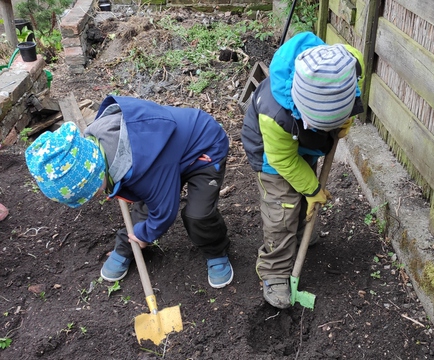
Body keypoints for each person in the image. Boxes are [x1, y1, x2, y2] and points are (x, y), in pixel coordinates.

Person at [25, 95, 234, 289]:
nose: (97, 197)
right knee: (143, 199)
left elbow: (164, 212)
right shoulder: (94, 144)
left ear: (96, 171)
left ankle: (215, 250)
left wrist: (145, 236)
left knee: (198, 214)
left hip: (203, 150)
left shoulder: (144, 169)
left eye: (93, 192)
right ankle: (127, 246)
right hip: (164, 156)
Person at [241, 32, 364, 308]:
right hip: (272, 154)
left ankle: (297, 235)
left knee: (299, 199)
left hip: (306, 144)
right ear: (300, 106)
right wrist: (312, 189)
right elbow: (284, 161)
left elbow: (358, 76)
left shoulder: (347, 65)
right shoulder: (275, 114)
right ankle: (274, 271)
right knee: (282, 208)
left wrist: (345, 118)